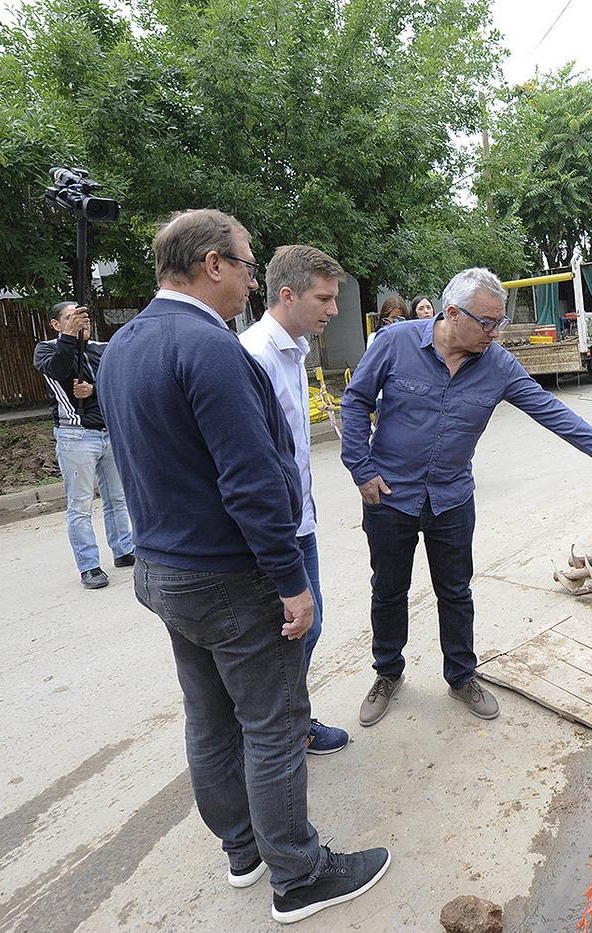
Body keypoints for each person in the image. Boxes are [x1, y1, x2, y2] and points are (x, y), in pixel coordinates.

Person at [98, 209, 389, 924]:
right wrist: (292, 581)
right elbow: (252, 481)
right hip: (228, 576)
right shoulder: (214, 349)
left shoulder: (123, 345)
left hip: (165, 570)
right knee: (272, 720)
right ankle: (298, 873)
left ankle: (242, 849)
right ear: (212, 264)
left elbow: (142, 468)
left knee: (208, 715)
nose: (254, 277)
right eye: (249, 263)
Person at [341, 267, 592, 726]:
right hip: (389, 496)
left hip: (452, 500)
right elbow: (356, 401)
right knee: (388, 589)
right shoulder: (395, 342)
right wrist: (361, 469)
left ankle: (461, 676)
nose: (495, 332)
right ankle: (388, 672)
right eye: (487, 323)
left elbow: (550, 410)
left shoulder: (497, 364)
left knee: (456, 592)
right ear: (452, 313)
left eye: (499, 322)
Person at [239, 244, 350, 757]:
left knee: (307, 628)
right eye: (324, 299)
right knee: (289, 634)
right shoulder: (255, 355)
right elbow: (250, 466)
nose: (333, 310)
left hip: (299, 521)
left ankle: (287, 723)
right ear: (288, 295)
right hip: (277, 531)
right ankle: (275, 733)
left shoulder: (294, 349)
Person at [33, 300, 134, 589]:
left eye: (83, 317)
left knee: (117, 498)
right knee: (80, 505)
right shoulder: (48, 349)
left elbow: (118, 382)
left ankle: (124, 550)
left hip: (109, 432)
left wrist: (94, 388)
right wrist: (69, 338)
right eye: (72, 317)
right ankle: (89, 566)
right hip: (75, 436)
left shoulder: (102, 348)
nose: (82, 321)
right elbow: (60, 371)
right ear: (56, 324)